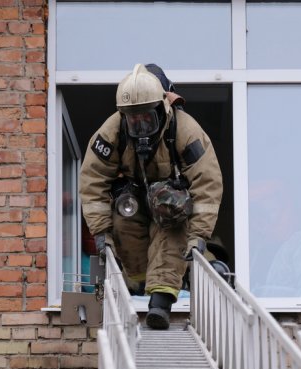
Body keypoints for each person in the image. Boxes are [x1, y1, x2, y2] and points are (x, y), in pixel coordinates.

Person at [79, 63, 223, 329]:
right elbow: (92, 181)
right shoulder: (111, 132)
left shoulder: (185, 130)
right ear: (124, 116)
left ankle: (161, 302)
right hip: (132, 197)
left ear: (161, 109)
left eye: (147, 118)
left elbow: (208, 183)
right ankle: (138, 283)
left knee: (171, 226)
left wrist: (199, 236)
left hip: (170, 202)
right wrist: (101, 233)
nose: (141, 125)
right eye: (134, 120)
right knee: (123, 219)